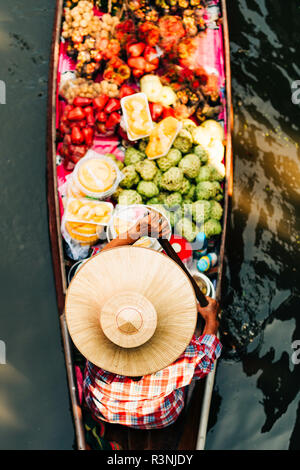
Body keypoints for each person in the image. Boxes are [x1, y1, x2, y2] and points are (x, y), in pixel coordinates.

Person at [81, 211, 222, 429]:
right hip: (161, 418)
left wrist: (133, 234)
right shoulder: (180, 359)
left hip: (102, 409)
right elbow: (207, 356)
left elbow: (92, 270)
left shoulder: (92, 332)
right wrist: (211, 320)